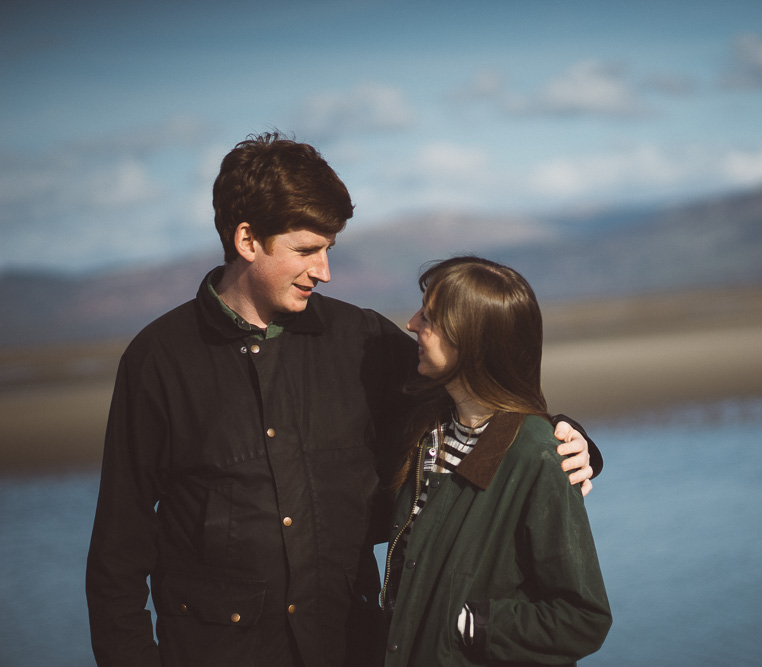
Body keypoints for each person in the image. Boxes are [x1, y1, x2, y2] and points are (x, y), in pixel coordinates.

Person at [85, 133, 600, 667]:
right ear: (246, 240)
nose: (324, 271)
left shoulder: (364, 340)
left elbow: (476, 395)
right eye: (306, 250)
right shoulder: (158, 360)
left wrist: (567, 439)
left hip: (349, 646)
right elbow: (118, 551)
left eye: (329, 249)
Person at [379, 257, 612, 666]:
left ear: (472, 341)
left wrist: (471, 624)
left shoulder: (538, 455)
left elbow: (583, 618)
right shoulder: (426, 430)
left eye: (429, 317)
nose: (412, 323)